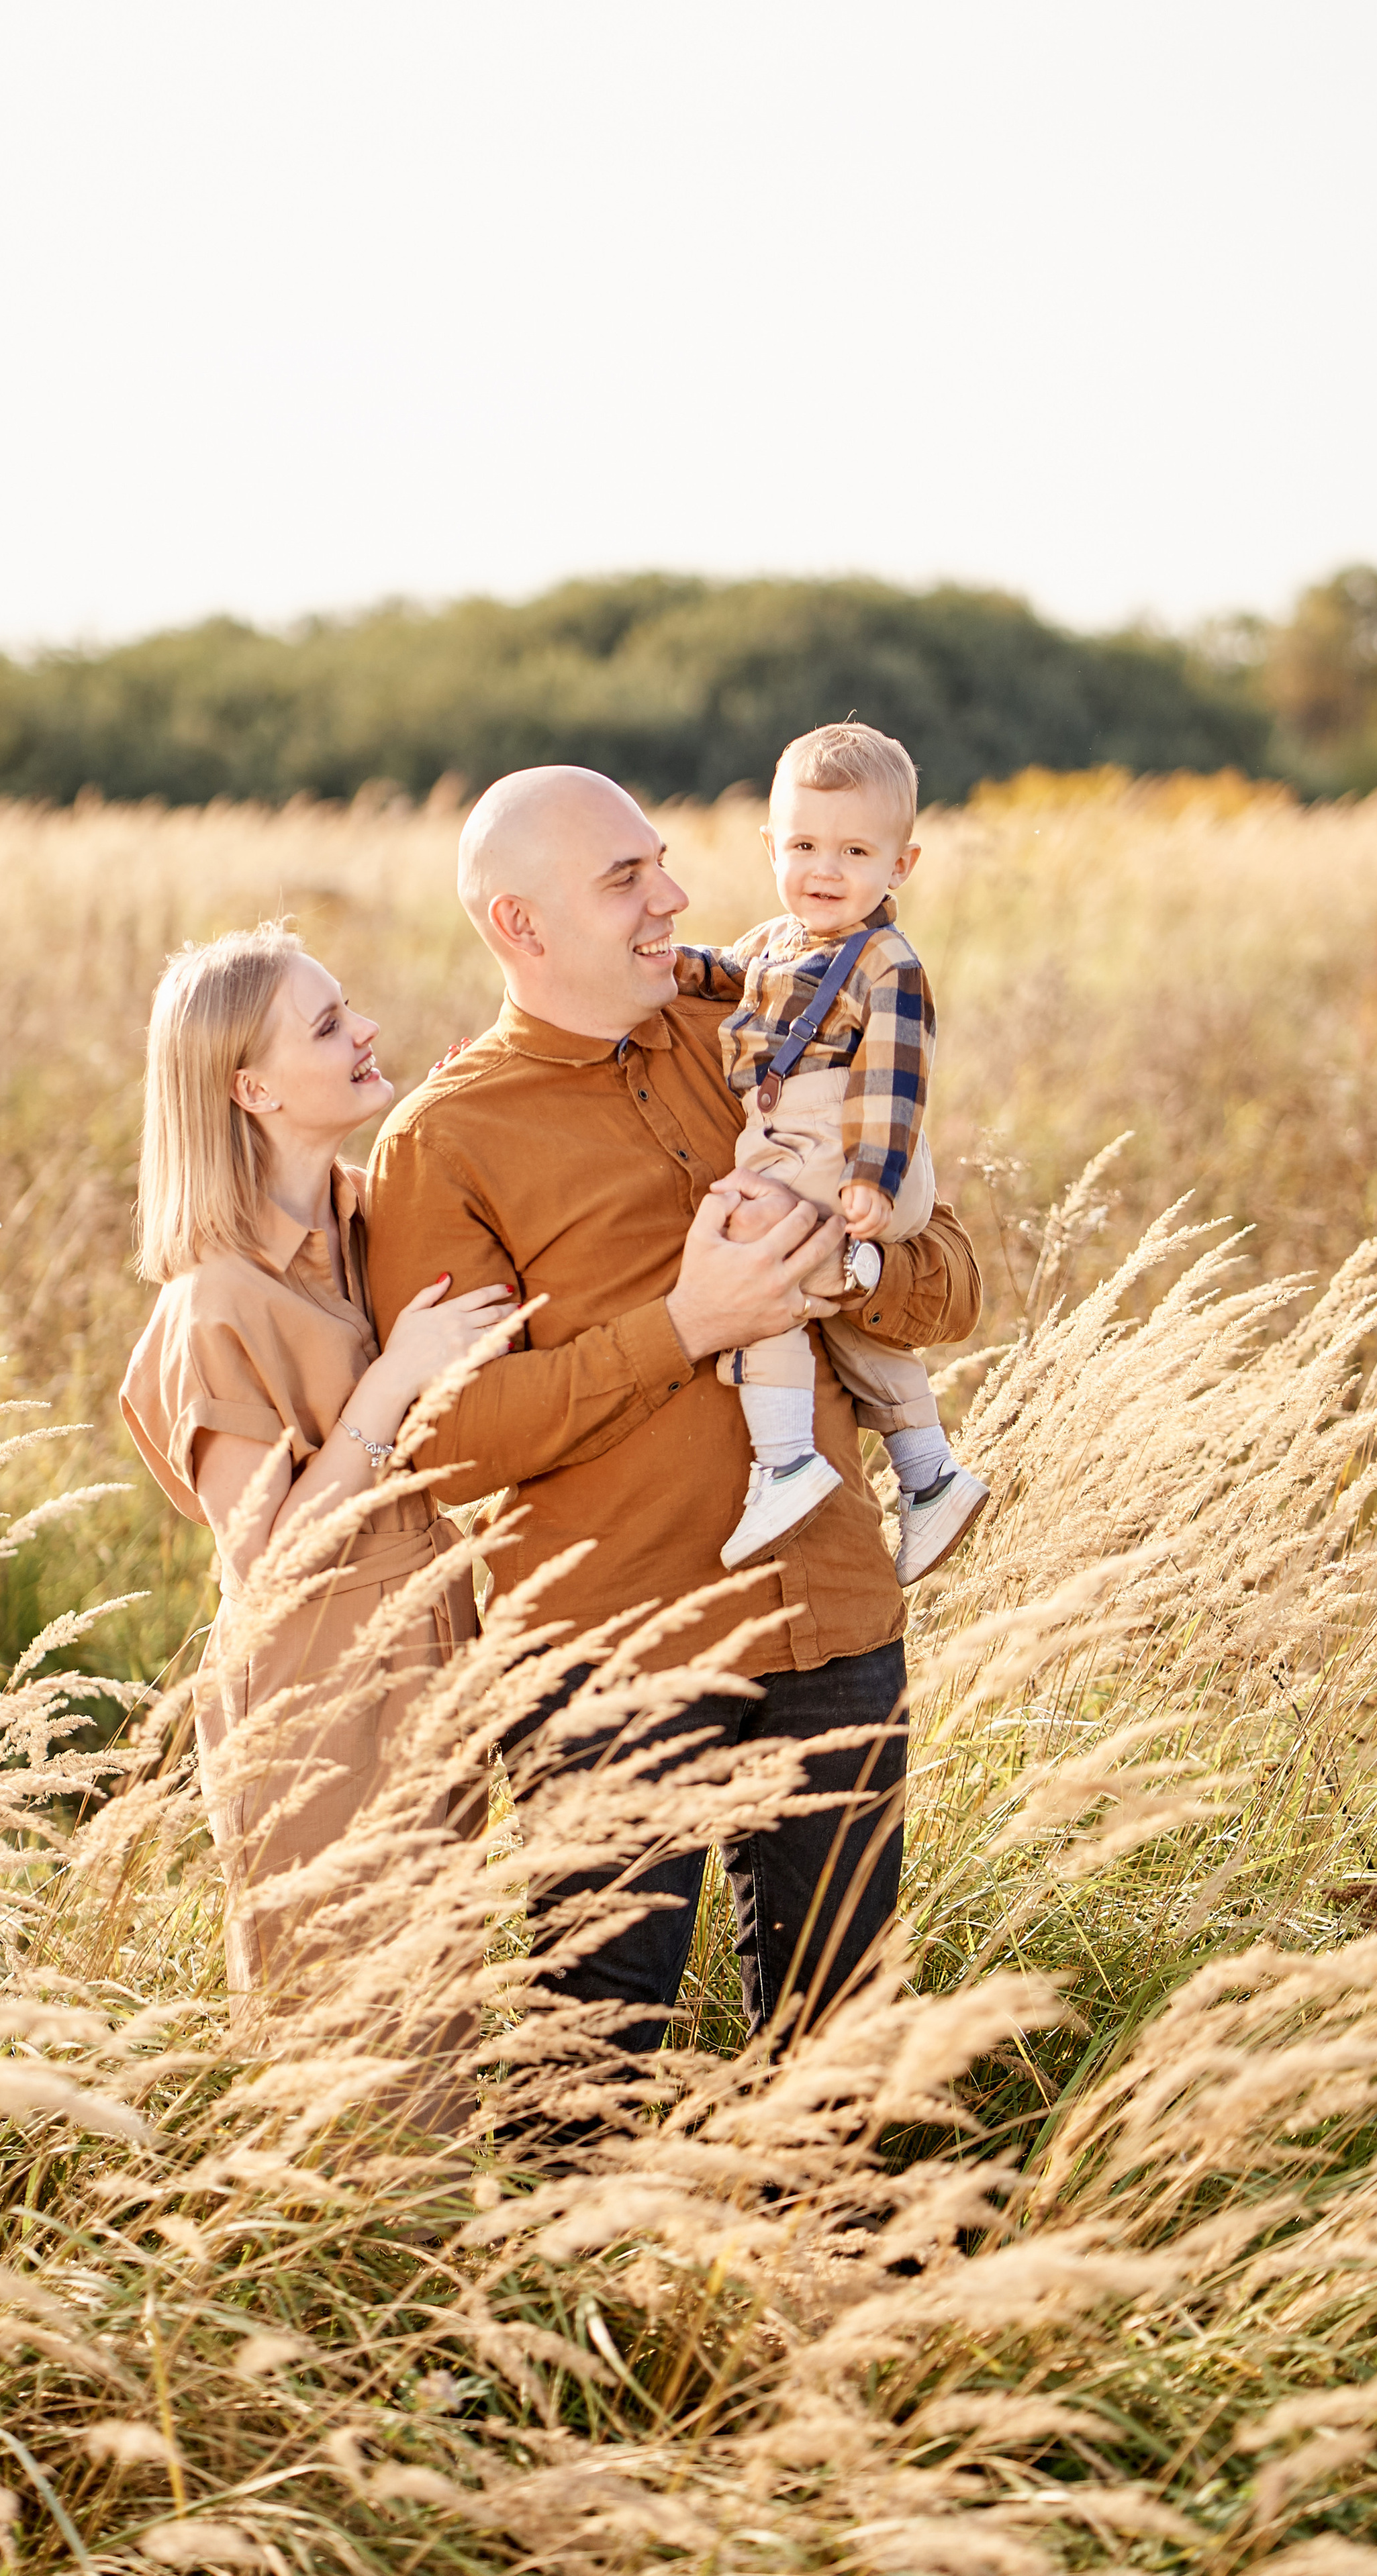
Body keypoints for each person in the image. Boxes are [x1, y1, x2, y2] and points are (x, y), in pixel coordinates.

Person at [365, 769, 982, 2067]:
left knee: (841, 2064)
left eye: (662, 863)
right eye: (626, 880)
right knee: (582, 2082)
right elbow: (451, 1439)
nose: (678, 897)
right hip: (611, 1662)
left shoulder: (758, 1034)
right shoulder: (448, 1136)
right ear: (519, 925)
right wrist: (686, 1326)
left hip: (835, 1631)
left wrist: (858, 1271)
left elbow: (964, 1281)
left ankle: (835, 2272)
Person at [119, 922, 512, 2025]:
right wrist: (391, 1388)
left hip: (434, 1661)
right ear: (252, 1088)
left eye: (352, 1010)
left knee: (443, 2023)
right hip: (314, 1701)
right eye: (329, 1024)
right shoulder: (216, 1302)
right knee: (351, 2054)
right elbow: (272, 1561)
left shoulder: (370, 1215)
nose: (366, 1029)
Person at [675, 721, 990, 1582]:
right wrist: (674, 967)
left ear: (900, 866)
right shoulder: (777, 938)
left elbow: (896, 1077)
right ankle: (929, 1477)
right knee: (849, 1325)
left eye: (854, 851)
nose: (825, 870)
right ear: (770, 846)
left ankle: (784, 1463)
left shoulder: (886, 960)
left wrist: (870, 1181)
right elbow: (726, 971)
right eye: (805, 845)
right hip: (803, 1133)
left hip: (839, 1136)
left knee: (761, 1259)